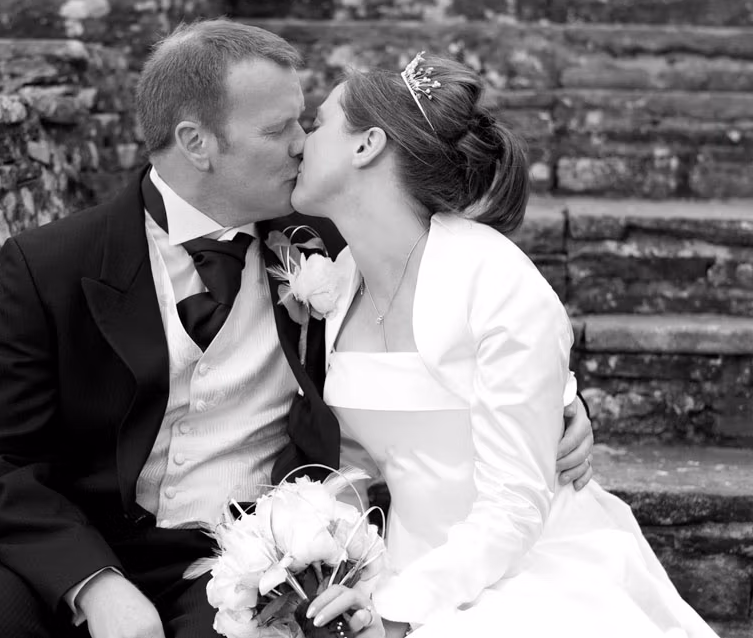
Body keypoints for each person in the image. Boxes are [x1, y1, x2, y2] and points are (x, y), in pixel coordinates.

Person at [0, 21, 595, 638]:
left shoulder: (331, 237)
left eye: (305, 122)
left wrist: (562, 405)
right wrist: (96, 586)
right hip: (64, 553)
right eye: (278, 130)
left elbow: (455, 321)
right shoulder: (54, 263)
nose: (302, 145)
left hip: (244, 566)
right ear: (196, 143)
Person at [296, 54, 720, 638]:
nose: (298, 141)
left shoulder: (495, 281)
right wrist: (310, 545)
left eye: (315, 123)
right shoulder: (340, 278)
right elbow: (365, 454)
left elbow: (516, 504)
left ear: (367, 146)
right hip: (400, 561)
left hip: (525, 563)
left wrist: (399, 613)